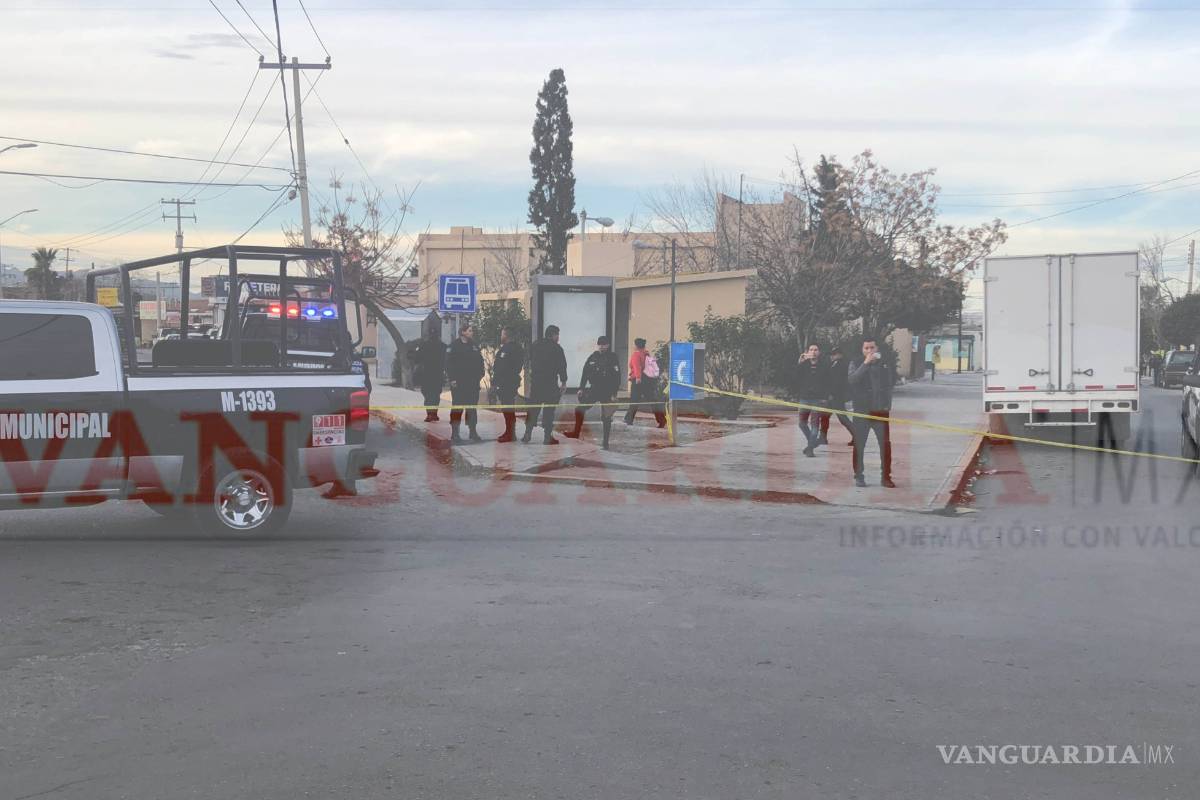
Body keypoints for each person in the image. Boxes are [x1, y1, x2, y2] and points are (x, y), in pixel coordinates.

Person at [848, 338, 895, 488]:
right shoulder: (856, 362)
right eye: (866, 348)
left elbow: (889, 384)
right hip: (862, 410)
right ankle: (859, 475)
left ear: (877, 348)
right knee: (860, 444)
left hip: (880, 410)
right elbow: (852, 379)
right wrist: (865, 364)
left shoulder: (884, 364)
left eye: (872, 348)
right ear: (862, 350)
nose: (869, 351)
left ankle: (886, 476)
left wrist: (888, 404)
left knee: (885, 445)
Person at [564, 335, 621, 449]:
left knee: (606, 416)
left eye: (604, 344)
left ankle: (605, 442)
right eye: (600, 344)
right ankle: (576, 433)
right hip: (594, 389)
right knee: (579, 409)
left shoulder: (612, 357)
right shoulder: (593, 357)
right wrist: (581, 388)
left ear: (608, 345)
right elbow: (585, 373)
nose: (601, 347)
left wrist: (614, 393)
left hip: (607, 391)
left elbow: (617, 377)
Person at [523, 324, 568, 444]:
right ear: (553, 335)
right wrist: (563, 382)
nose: (558, 337)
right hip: (550, 384)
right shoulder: (557, 348)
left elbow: (529, 360)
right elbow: (562, 366)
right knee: (549, 411)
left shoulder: (535, 345)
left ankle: (527, 433)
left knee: (533, 409)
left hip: (537, 383)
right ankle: (547, 437)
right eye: (557, 334)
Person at [446, 323, 485, 444]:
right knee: (457, 407)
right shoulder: (454, 346)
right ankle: (455, 433)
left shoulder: (474, 346)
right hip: (459, 383)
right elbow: (448, 364)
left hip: (472, 383)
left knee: (472, 408)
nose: (471, 332)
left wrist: (480, 375)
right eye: (469, 330)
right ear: (463, 332)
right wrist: (452, 379)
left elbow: (480, 362)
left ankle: (472, 431)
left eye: (471, 330)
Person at [795, 343, 830, 457]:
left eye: (816, 349)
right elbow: (795, 377)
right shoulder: (804, 365)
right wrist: (799, 363)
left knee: (815, 425)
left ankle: (810, 449)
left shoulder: (824, 365)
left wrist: (825, 398)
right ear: (808, 352)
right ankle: (813, 442)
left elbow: (828, 383)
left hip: (818, 399)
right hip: (804, 398)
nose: (813, 352)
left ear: (819, 352)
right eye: (811, 349)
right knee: (802, 424)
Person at [491, 326, 525, 443]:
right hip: (506, 382)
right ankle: (509, 432)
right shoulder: (510, 348)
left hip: (507, 383)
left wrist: (497, 382)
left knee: (508, 408)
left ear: (506, 335)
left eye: (502, 334)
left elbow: (504, 367)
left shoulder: (511, 349)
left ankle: (510, 434)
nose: (501, 336)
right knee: (507, 408)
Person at [623, 337, 667, 427]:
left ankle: (629, 419)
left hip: (638, 380)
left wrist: (638, 378)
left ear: (636, 345)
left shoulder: (636, 354)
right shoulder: (646, 354)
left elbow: (636, 366)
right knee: (652, 400)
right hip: (648, 380)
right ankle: (662, 419)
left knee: (634, 400)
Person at [819, 346, 855, 445]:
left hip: (837, 396)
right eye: (831, 354)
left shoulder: (842, 364)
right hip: (832, 396)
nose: (832, 356)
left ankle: (857, 436)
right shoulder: (834, 364)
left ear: (840, 354)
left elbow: (838, 382)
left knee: (842, 418)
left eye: (834, 354)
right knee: (825, 417)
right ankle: (822, 438)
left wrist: (832, 394)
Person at [410, 329, 445, 422]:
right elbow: (447, 360)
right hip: (438, 374)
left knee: (428, 394)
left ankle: (430, 414)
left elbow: (417, 359)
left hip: (427, 374)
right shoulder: (443, 346)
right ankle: (434, 414)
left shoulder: (423, 346)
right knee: (436, 394)